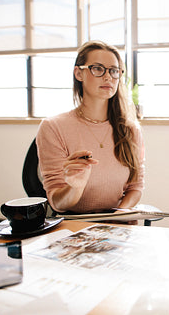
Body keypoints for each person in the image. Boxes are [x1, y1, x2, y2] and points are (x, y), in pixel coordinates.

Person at [36, 40, 145, 217]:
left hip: (118, 223)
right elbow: (57, 204)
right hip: (74, 225)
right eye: (98, 68)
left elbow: (136, 187)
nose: (108, 77)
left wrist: (118, 216)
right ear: (79, 73)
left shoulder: (130, 129)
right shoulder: (53, 127)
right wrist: (74, 186)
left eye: (114, 70)